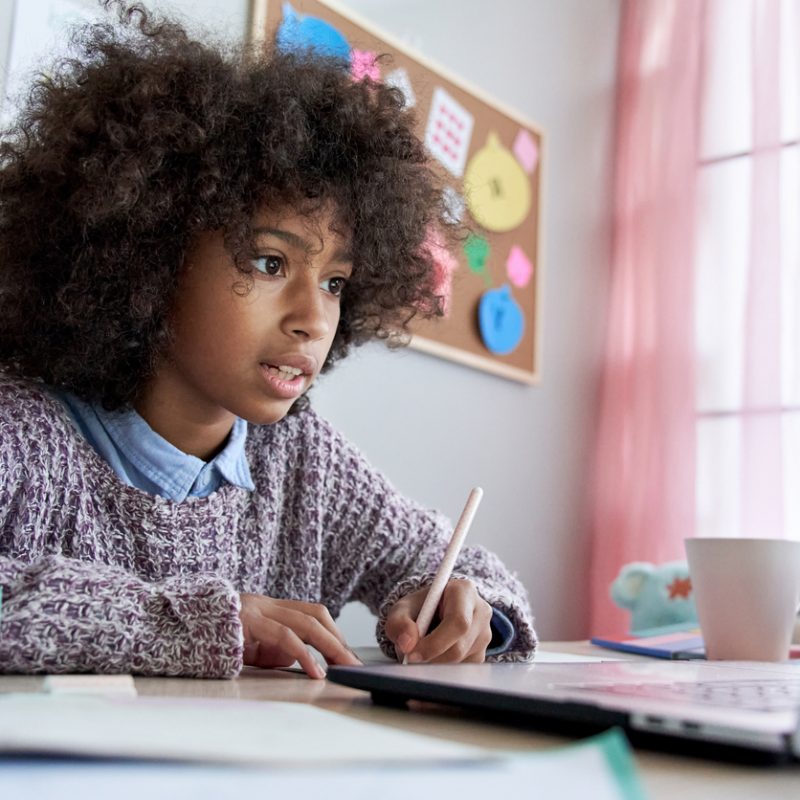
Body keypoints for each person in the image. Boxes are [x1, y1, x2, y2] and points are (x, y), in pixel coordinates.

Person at [0, 1, 536, 679]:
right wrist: (180, 623)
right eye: (270, 263)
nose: (313, 317)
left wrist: (470, 607)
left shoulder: (301, 462)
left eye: (336, 282)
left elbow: (457, 568)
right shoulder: (24, 435)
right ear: (149, 257)